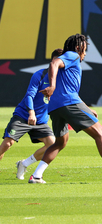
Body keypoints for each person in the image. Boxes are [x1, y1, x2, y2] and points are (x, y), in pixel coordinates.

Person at [29, 34, 102, 184]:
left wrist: (85, 107)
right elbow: (54, 64)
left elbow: (68, 89)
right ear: (78, 47)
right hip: (68, 103)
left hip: (54, 107)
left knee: (60, 143)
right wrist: (51, 86)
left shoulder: (68, 62)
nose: (85, 54)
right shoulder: (72, 55)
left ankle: (37, 176)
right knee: (99, 134)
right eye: (85, 50)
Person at [0, 49, 63, 180]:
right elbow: (29, 95)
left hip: (41, 121)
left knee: (52, 145)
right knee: (7, 144)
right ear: (53, 62)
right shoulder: (40, 75)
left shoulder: (62, 79)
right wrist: (31, 112)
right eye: (59, 61)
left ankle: (24, 164)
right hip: (24, 116)